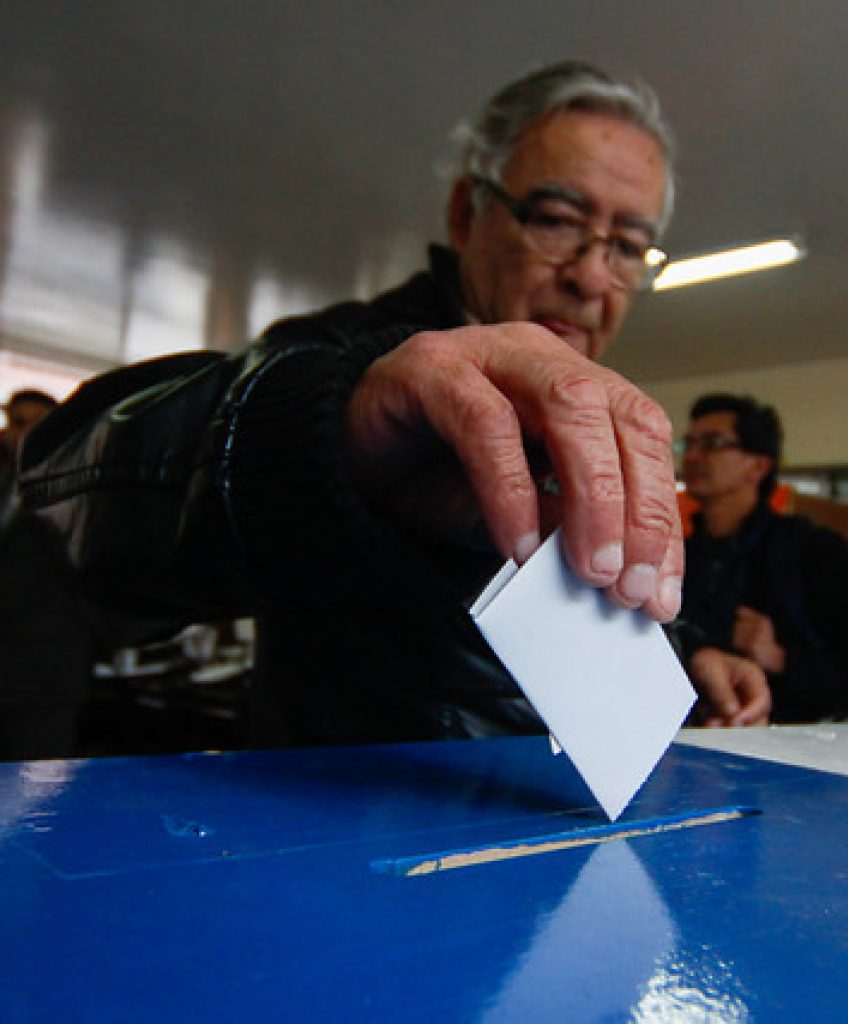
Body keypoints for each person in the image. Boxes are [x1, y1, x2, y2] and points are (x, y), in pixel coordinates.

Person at [18, 61, 769, 748]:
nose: (592, 276)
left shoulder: (584, 407)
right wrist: (328, 431)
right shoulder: (351, 362)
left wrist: (688, 648)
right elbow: (68, 489)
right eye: (558, 221)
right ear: (468, 215)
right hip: (357, 859)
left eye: (628, 246)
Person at [672, 392, 848, 722]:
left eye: (712, 443)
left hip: (799, 754)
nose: (693, 456)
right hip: (702, 750)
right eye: (688, 444)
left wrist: (781, 658)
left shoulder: (815, 550)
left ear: (759, 465)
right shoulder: (682, 555)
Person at [1, 390, 95, 759]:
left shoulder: (77, 492)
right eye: (15, 423)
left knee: (37, 799)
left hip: (44, 676)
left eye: (34, 426)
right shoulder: (4, 485)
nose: (20, 434)